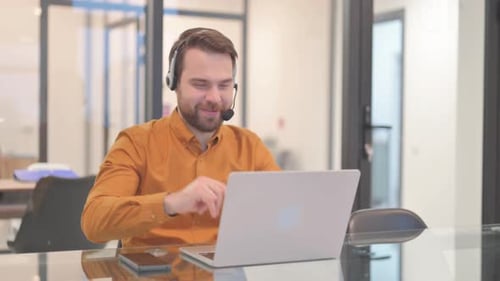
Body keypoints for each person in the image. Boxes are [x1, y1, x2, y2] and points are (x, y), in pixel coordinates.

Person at [81, 27, 280, 248]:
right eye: (200, 84)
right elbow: (94, 221)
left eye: (224, 85)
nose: (214, 97)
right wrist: (172, 203)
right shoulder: (137, 142)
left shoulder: (249, 146)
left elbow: (286, 211)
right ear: (174, 82)